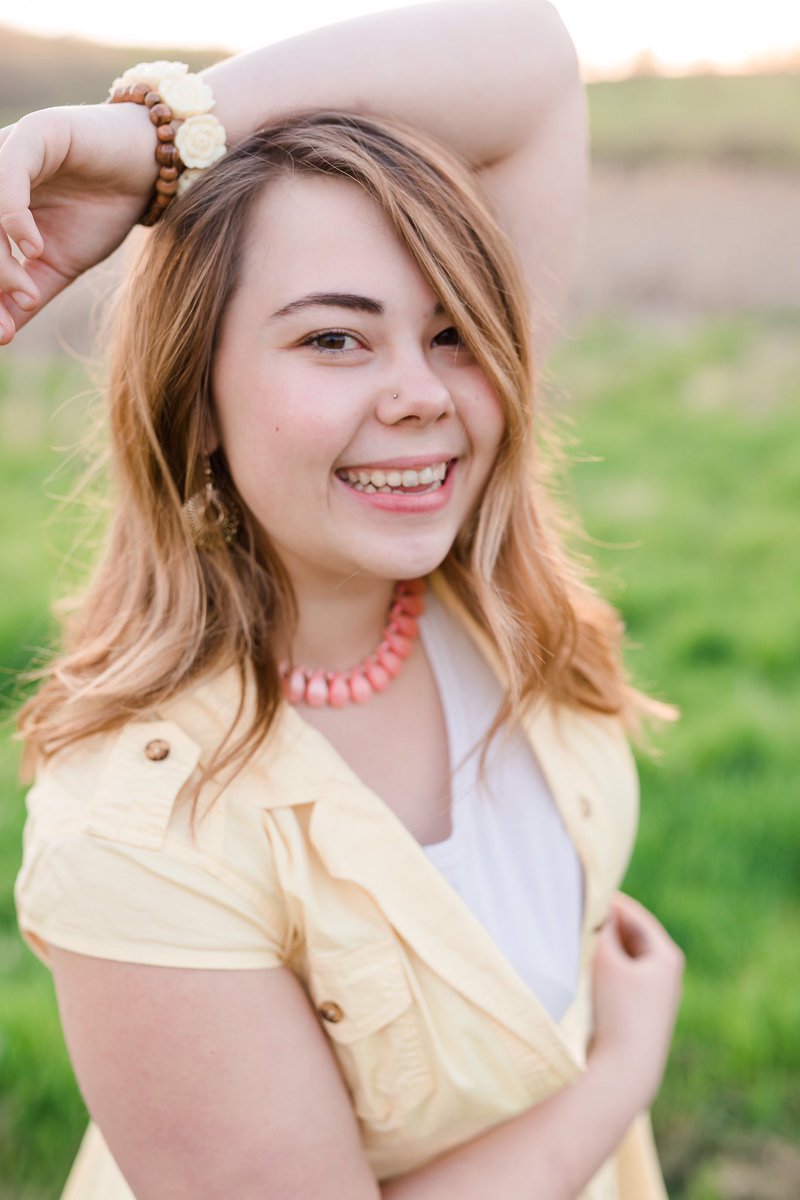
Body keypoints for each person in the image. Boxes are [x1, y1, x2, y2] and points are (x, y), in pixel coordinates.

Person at [4, 3, 684, 1198]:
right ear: (198, 397)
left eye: (452, 331)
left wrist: (144, 143)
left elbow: (526, 59)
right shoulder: (138, 832)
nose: (422, 394)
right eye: (333, 340)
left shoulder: (470, 577)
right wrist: (620, 1068)